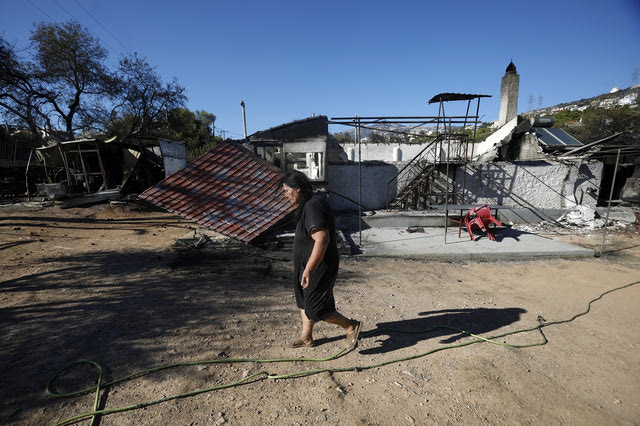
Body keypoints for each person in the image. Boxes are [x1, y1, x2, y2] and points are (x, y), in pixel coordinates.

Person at [281, 170, 361, 348]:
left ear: (298, 189)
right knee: (303, 300)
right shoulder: (310, 203)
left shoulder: (313, 205)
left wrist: (309, 269)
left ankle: (351, 326)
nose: (285, 196)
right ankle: (306, 337)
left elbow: (322, 239)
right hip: (307, 263)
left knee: (316, 308)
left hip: (319, 265)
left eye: (286, 191)